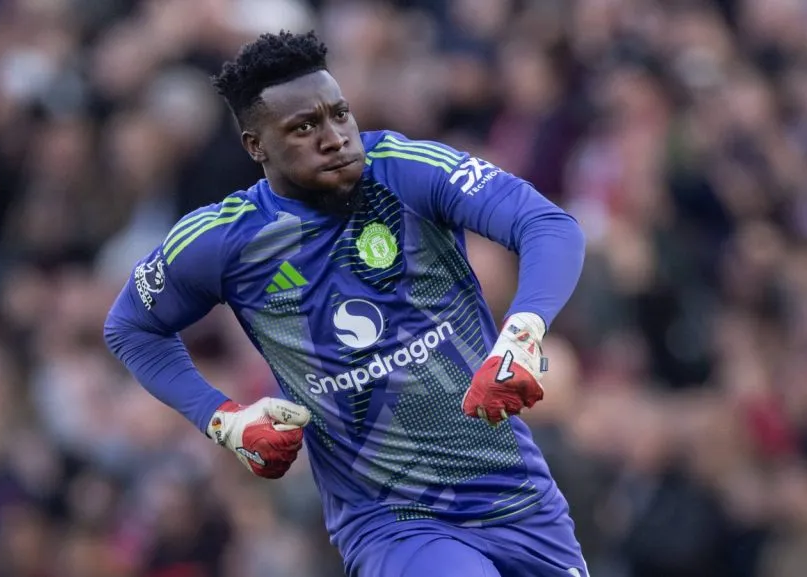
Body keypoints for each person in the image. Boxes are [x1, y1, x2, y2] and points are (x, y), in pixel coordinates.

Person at [104, 30, 588, 577]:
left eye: (339, 114)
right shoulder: (224, 240)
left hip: (515, 493)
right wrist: (224, 420)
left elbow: (546, 224)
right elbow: (130, 328)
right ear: (255, 145)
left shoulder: (404, 169)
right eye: (304, 127)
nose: (334, 138)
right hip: (392, 520)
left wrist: (524, 330)